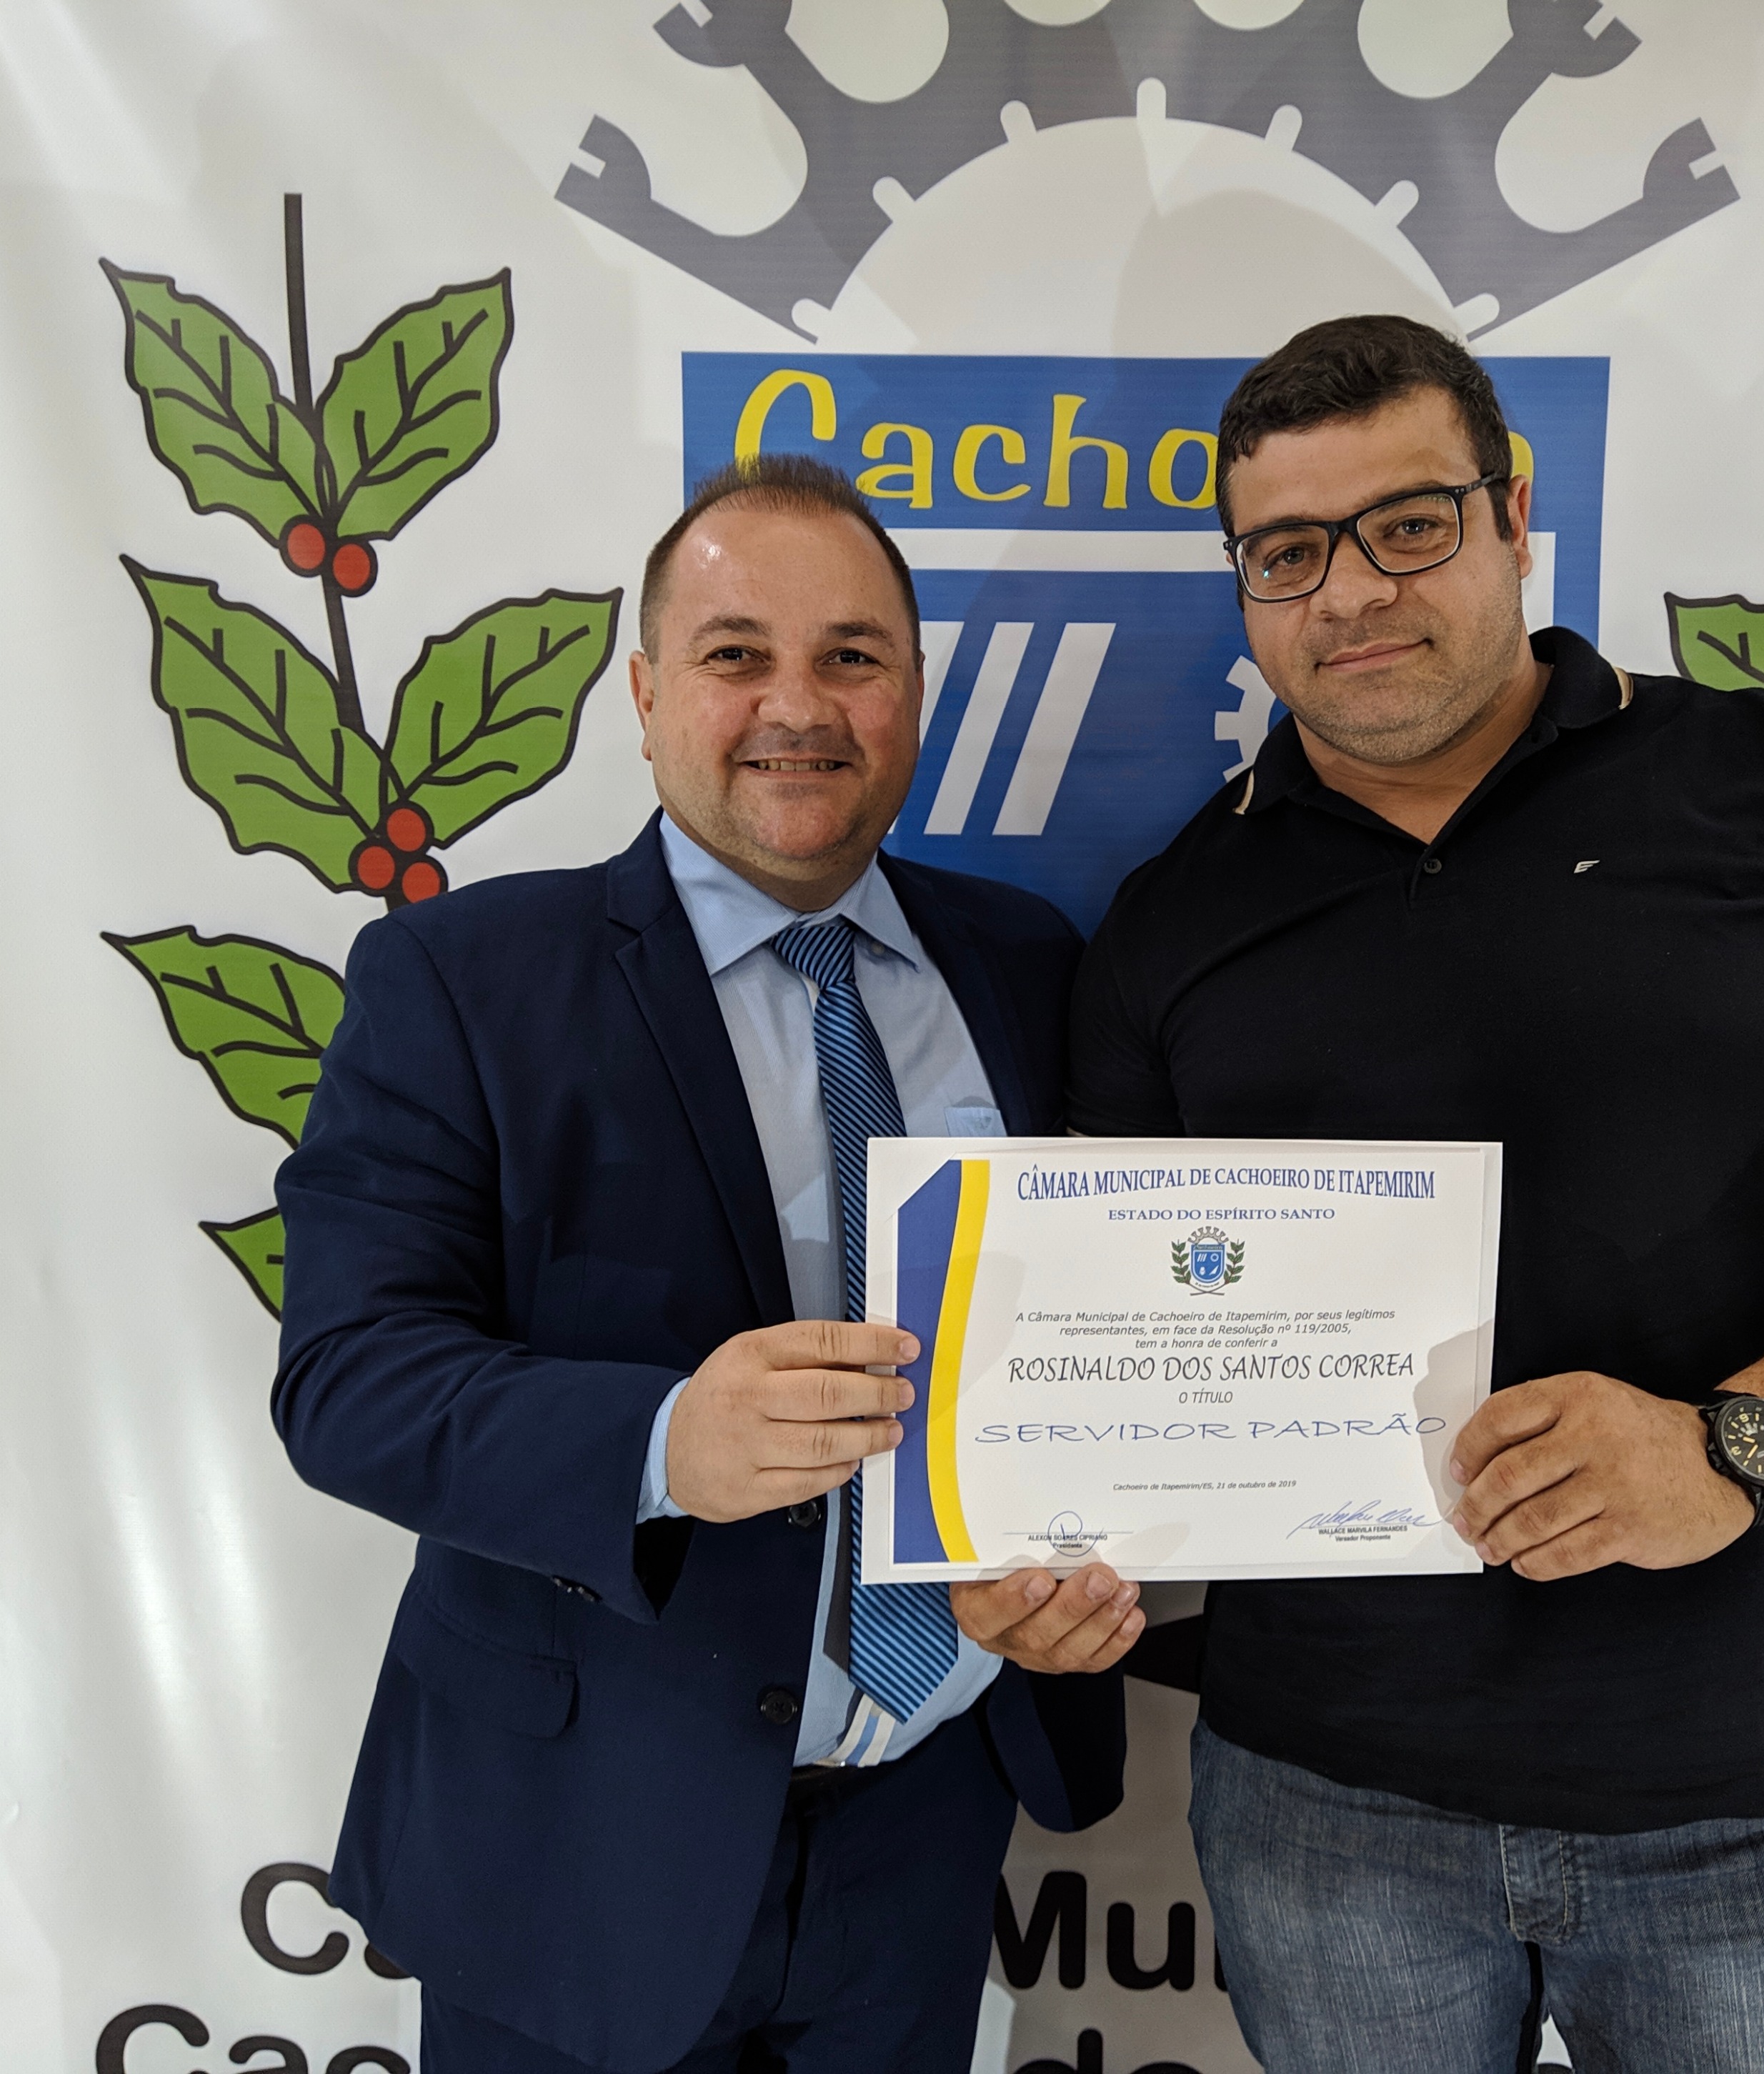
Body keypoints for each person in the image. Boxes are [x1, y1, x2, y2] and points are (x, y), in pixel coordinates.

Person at [1072, 315, 1764, 2073]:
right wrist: (1045, 1553)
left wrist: (1733, 1452)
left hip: (1746, 1802)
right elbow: (1112, 1356)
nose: (1350, 592)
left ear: (1511, 515)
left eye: (1408, 524)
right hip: (1321, 1806)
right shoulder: (1167, 919)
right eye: (1287, 552)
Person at [274, 455, 1137, 2074]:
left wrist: (1075, 1559)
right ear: (647, 693)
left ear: (914, 694)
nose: (796, 706)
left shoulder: (1031, 965)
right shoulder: (458, 978)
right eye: (737, 653)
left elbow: (1096, 1338)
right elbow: (349, 1382)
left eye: (851, 657)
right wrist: (666, 1440)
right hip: (577, 1842)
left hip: (924, 1829)